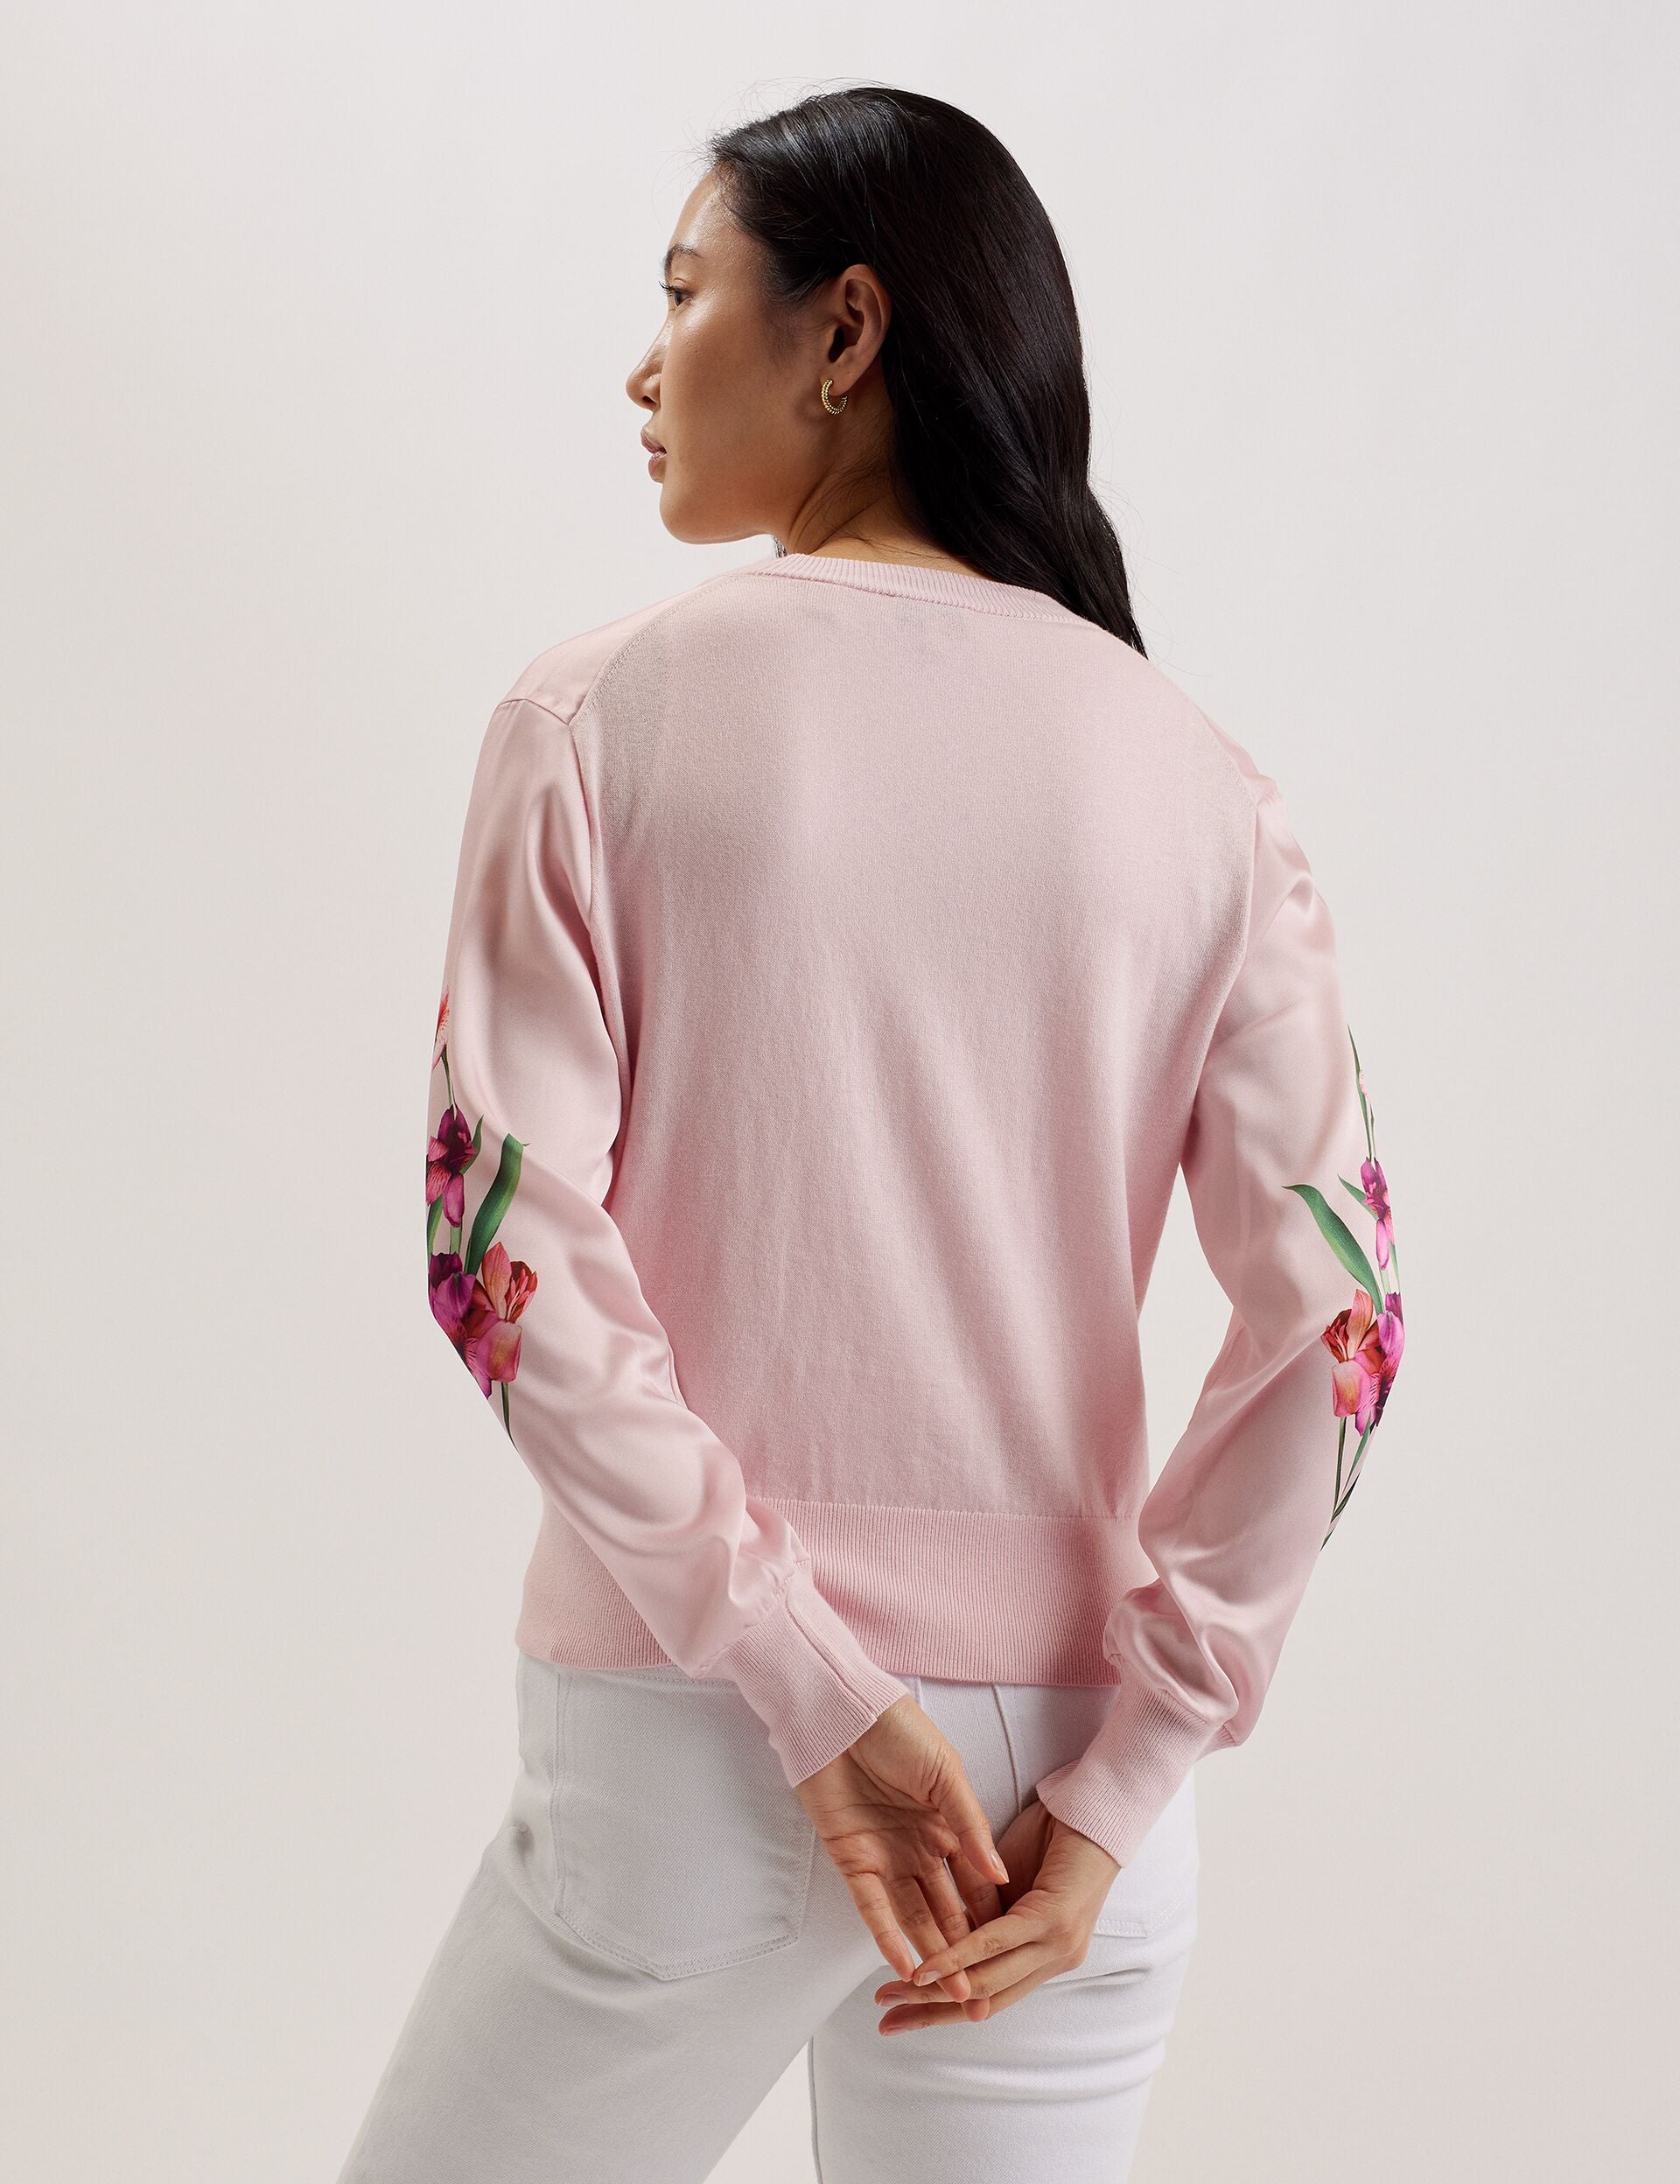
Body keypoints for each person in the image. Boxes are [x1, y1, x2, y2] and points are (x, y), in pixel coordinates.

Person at [337, 82, 1405, 2184]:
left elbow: (503, 1257)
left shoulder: (592, 719)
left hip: (700, 1750)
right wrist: (1132, 1769)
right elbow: (1338, 1326)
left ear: (846, 329)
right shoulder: (1205, 787)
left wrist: (799, 1675)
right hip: (1066, 1802)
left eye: (682, 293)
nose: (643, 368)